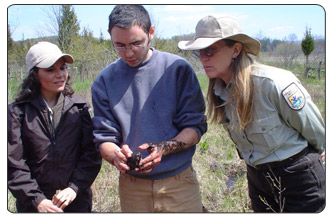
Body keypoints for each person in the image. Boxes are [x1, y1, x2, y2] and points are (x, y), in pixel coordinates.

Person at [178, 16, 325, 212]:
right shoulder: (220, 90)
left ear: (236, 50)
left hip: (298, 178)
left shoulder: (273, 83)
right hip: (258, 178)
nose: (204, 58)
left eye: (210, 51)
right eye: (199, 53)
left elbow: (316, 130)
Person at [91, 5, 207, 212]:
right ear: (110, 36)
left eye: (136, 43)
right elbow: (104, 137)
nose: (128, 53)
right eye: (119, 45)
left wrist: (163, 148)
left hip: (179, 181)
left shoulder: (177, 69)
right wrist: (116, 155)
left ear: (151, 32)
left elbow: (195, 128)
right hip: (132, 186)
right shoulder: (104, 81)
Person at [8, 41, 102, 212]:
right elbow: (13, 163)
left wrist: (74, 188)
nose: (60, 75)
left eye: (63, 68)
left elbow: (91, 155)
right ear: (34, 74)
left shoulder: (79, 108)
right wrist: (37, 200)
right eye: (50, 70)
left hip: (76, 202)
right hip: (33, 206)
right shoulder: (17, 112)